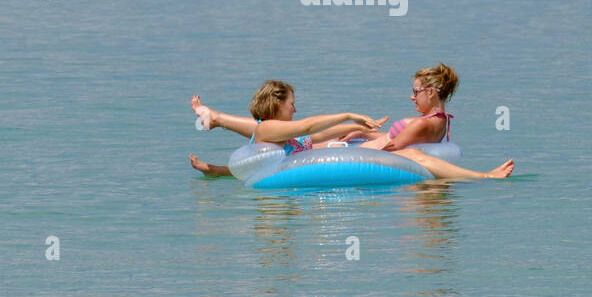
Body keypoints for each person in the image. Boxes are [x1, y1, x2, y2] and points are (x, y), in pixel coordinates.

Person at [189, 78, 513, 181]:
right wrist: (347, 113)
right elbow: (309, 125)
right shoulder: (272, 127)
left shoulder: (273, 130)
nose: (295, 109)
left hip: (289, 164)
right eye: (291, 104)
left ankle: (215, 122)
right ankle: (483, 177)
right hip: (299, 172)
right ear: (277, 104)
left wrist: (354, 126)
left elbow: (312, 136)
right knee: (414, 156)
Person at [339, 63, 457, 151]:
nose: (412, 97)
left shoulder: (422, 123)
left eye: (416, 92)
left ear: (430, 92)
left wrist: (354, 155)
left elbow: (392, 148)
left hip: (361, 158)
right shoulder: (441, 120)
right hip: (363, 151)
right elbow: (394, 137)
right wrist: (362, 134)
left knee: (330, 138)